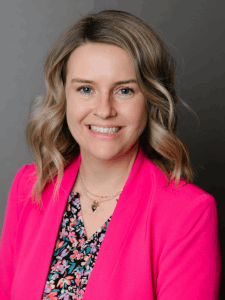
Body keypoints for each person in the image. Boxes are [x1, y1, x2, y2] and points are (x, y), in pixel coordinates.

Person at [0, 9, 221, 300]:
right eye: (86, 89)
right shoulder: (30, 185)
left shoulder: (188, 213)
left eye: (125, 91)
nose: (104, 110)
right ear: (64, 95)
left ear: (151, 98)